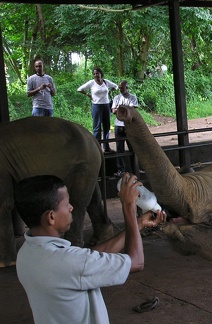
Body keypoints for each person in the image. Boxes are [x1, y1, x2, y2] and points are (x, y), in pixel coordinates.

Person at [15, 174, 166, 324]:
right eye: (67, 204)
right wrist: (129, 207)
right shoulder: (67, 261)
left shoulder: (27, 252)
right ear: (51, 217)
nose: (71, 208)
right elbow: (136, 262)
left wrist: (138, 224)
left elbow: (89, 257)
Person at [78, 67, 118, 153]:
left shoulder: (106, 82)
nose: (96, 75)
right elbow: (80, 89)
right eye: (94, 74)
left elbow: (116, 86)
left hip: (106, 106)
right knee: (97, 127)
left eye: (97, 73)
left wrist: (110, 91)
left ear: (101, 73)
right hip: (96, 106)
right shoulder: (91, 83)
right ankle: (97, 148)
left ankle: (106, 147)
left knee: (107, 127)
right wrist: (88, 95)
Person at [111, 80, 139, 177]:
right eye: (120, 88)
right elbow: (113, 109)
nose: (121, 89)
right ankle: (121, 170)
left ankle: (135, 169)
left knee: (132, 148)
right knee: (120, 149)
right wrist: (121, 109)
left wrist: (120, 109)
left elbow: (131, 110)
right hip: (118, 125)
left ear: (127, 88)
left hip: (129, 125)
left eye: (122, 88)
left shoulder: (132, 97)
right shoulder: (116, 98)